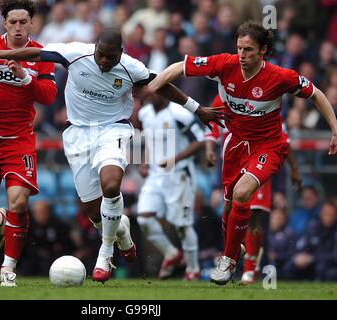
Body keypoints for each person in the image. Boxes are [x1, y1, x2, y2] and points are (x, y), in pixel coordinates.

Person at [0, 27, 223, 282]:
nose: (103, 61)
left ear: (120, 53)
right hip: (78, 134)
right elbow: (37, 53)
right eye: (100, 54)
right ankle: (120, 231)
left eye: (110, 56)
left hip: (114, 129)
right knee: (92, 208)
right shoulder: (76, 53)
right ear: (95, 47)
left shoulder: (132, 67)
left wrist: (197, 109)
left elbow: (162, 86)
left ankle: (106, 252)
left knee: (111, 185)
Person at [139, 21, 337, 285]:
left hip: (268, 146)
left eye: (249, 50)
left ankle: (230, 260)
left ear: (263, 51)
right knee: (230, 205)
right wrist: (152, 88)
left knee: (244, 194)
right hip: (235, 144)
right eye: (239, 48)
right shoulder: (224, 64)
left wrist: (335, 128)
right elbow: (179, 67)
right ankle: (236, 249)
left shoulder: (280, 77)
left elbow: (317, 94)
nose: (242, 55)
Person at [0, 0, 58, 287]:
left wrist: (25, 76)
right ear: (5, 23)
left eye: (23, 22)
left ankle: (8, 269)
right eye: (12, 22)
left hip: (19, 140)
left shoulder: (41, 55)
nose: (18, 27)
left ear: (32, 23)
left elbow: (49, 96)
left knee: (19, 201)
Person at [205, 94, 302, 284]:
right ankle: (234, 253)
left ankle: (249, 269)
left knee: (255, 214)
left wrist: (293, 172)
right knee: (229, 210)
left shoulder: (264, 94)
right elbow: (211, 131)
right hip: (232, 160)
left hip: (259, 159)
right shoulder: (220, 98)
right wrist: (210, 153)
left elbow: (283, 138)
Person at [136, 93, 204, 281]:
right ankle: (172, 254)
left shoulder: (179, 113)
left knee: (182, 225)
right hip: (155, 175)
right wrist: (144, 161)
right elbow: (149, 141)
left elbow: (200, 140)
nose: (149, 94)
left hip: (179, 174)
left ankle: (193, 268)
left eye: (155, 90)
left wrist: (175, 159)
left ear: (164, 90)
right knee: (143, 219)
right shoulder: (145, 113)